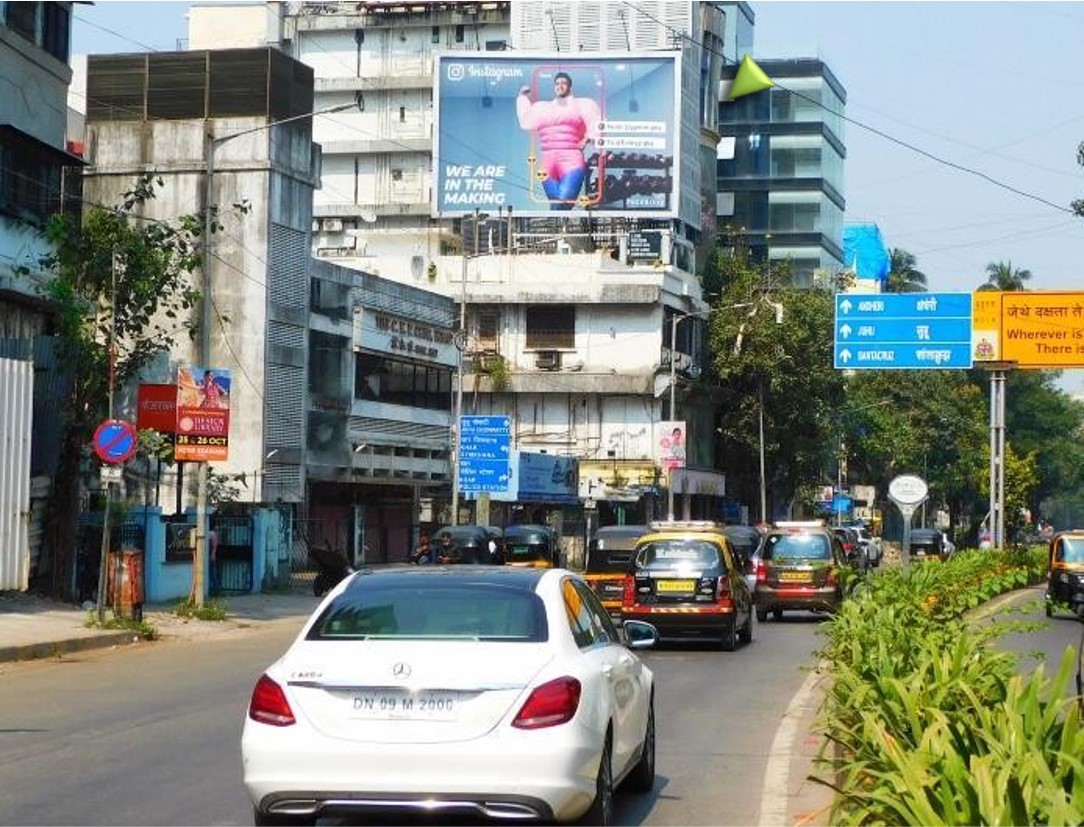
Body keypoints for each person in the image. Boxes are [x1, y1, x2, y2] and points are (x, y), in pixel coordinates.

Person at [516, 71, 602, 209]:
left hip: (571, 159)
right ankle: (558, 223)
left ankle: (557, 223)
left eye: (563, 83)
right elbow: (526, 122)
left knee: (564, 199)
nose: (560, 86)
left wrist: (587, 139)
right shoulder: (542, 108)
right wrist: (522, 97)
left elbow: (596, 122)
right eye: (557, 83)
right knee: (556, 203)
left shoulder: (582, 105)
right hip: (548, 161)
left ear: (570, 86)